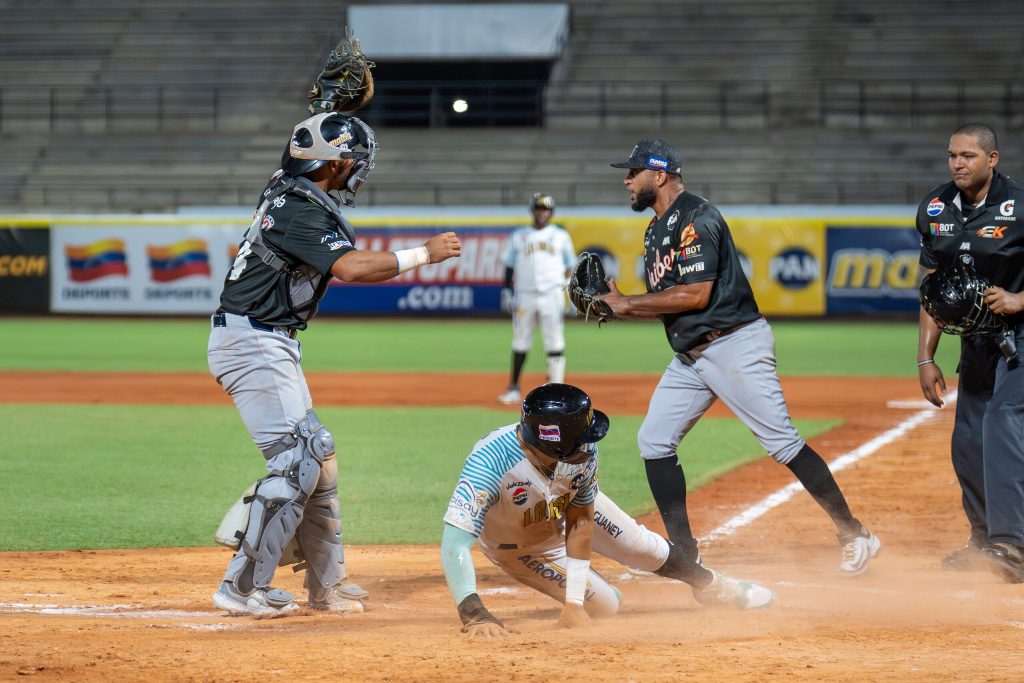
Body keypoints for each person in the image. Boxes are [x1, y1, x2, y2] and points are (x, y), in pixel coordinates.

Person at [208, 111, 462, 617]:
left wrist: (332, 102)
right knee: (298, 460)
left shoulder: (288, 186)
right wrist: (423, 255)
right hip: (252, 340)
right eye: (352, 160)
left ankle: (328, 584)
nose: (358, 169)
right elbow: (349, 267)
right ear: (333, 163)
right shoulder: (301, 209)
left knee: (319, 460)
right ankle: (240, 586)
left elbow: (307, 143)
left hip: (267, 338)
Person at [597, 139, 879, 575]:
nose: (626, 180)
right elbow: (667, 302)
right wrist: (621, 306)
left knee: (782, 443)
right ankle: (684, 550)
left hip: (734, 344)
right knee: (654, 441)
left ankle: (855, 533)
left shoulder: (696, 217)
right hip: (692, 356)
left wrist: (626, 304)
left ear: (659, 175)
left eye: (633, 172)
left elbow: (696, 294)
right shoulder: (654, 230)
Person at [440, 383, 776, 638]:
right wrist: (474, 612)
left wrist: (573, 601)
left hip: (566, 511)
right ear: (551, 441)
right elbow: (454, 545)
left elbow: (580, 524)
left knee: (642, 546)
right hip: (520, 547)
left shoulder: (582, 449)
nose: (589, 444)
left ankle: (714, 585)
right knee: (607, 606)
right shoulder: (490, 463)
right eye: (579, 437)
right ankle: (588, 591)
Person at [916, 123, 1024, 582]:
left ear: (992, 159)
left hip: (1020, 337)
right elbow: (932, 289)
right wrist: (925, 357)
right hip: (976, 341)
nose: (957, 164)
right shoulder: (935, 207)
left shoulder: (1019, 206)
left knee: (1002, 421)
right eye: (952, 156)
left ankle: (1012, 545)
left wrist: (1022, 300)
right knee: (968, 439)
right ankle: (983, 541)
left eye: (968, 156)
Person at [497, 194, 577, 405]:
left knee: (555, 339)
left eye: (546, 209)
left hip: (552, 293)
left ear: (551, 212)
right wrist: (506, 290)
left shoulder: (560, 236)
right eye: (539, 208)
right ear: (532, 210)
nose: (542, 212)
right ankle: (513, 387)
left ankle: (558, 390)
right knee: (520, 339)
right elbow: (509, 265)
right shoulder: (519, 236)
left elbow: (570, 264)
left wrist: (568, 287)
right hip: (525, 294)